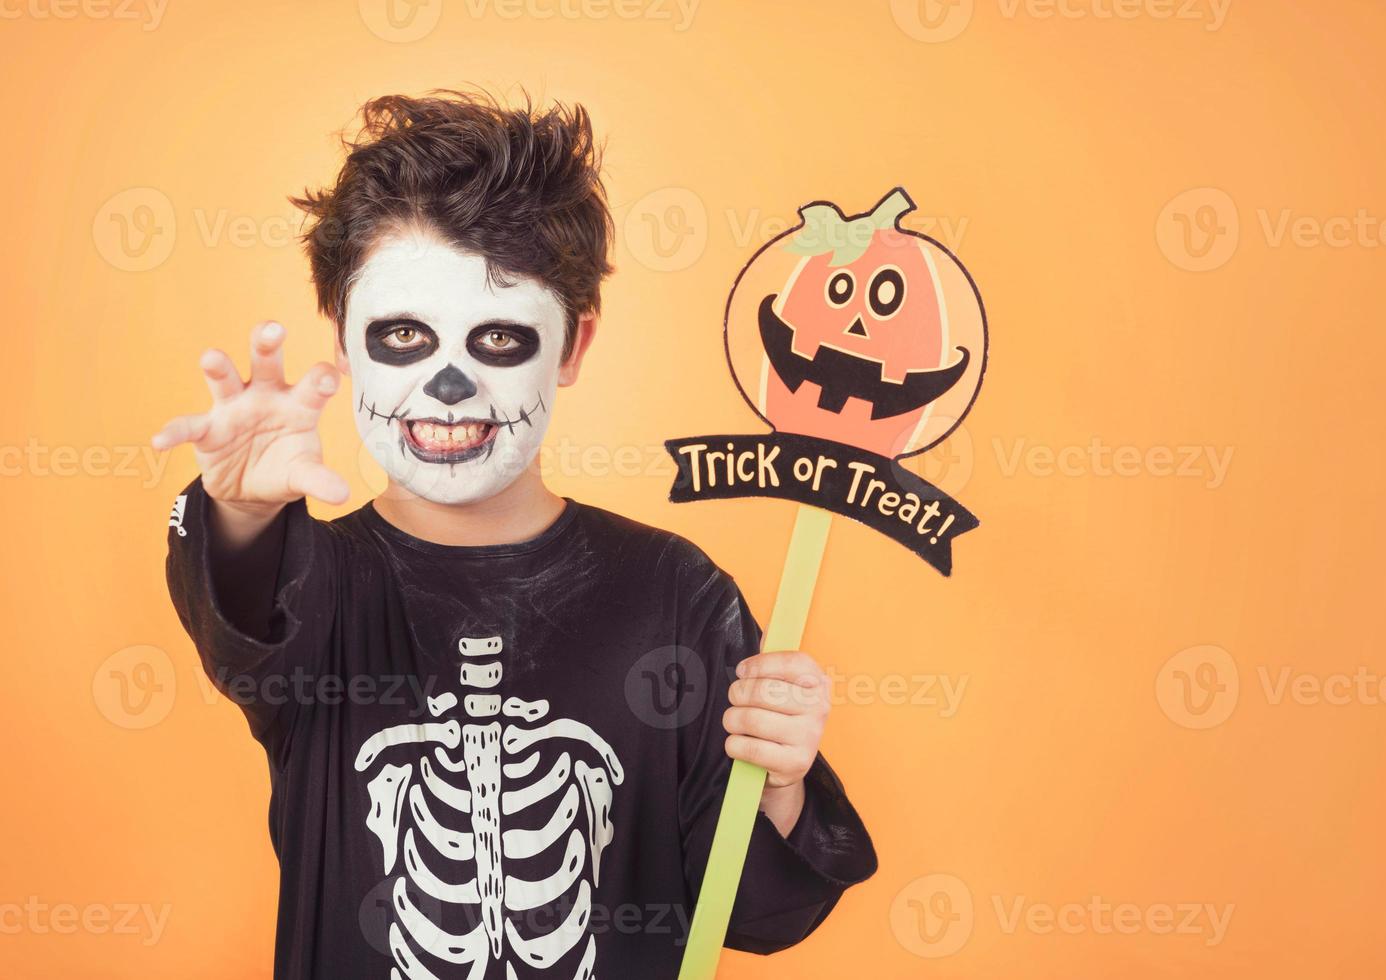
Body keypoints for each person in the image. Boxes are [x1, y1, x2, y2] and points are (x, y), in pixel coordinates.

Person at [153, 91, 877, 980]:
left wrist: (780, 788)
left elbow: (761, 916)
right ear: (342, 344)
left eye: (498, 337)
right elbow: (239, 610)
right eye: (403, 335)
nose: (447, 386)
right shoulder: (318, 583)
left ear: (571, 347)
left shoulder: (674, 595)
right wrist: (243, 510)